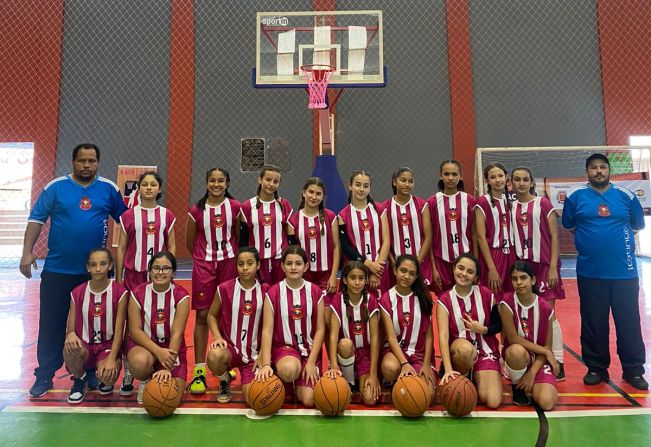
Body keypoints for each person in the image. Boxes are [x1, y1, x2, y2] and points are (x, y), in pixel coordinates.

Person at [20, 143, 127, 398]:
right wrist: (27, 251)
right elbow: (36, 219)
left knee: (95, 324)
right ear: (73, 161)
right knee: (52, 324)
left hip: (94, 274)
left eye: (91, 161)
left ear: (98, 163)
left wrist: (126, 264)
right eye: (82, 161)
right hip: (58, 271)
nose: (87, 166)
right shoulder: (55, 187)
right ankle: (45, 374)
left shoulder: (109, 189)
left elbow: (128, 223)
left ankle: (89, 372)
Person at [562, 153, 648, 389]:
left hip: (624, 272)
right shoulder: (575, 196)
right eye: (593, 168)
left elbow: (637, 226)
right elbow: (570, 226)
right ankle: (596, 368)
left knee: (629, 321)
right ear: (587, 172)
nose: (598, 171)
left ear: (609, 170)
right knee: (593, 322)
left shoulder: (626, 196)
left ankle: (633, 370)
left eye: (602, 167)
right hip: (590, 272)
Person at [116, 171, 176, 395]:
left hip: (158, 277)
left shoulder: (167, 215)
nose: (149, 188)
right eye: (145, 184)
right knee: (129, 324)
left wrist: (171, 273)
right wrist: (120, 277)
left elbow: (172, 246)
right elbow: (122, 247)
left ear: (159, 189)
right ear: (138, 189)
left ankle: (152, 369)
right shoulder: (129, 215)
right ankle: (129, 372)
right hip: (134, 275)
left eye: (153, 184)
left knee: (155, 320)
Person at [185, 167, 241, 395]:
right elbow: (190, 242)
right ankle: (199, 371)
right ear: (206, 182)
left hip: (229, 262)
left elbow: (238, 235)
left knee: (226, 314)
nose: (216, 184)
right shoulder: (196, 210)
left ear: (227, 183)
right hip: (204, 264)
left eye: (221, 181)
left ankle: (225, 360)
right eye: (212, 180)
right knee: (201, 315)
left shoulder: (235, 208)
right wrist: (203, 259)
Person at [510, 167, 566, 380]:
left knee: (548, 315)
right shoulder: (510, 206)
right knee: (524, 314)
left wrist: (553, 266)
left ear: (531, 182)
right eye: (517, 179)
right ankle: (525, 360)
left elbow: (554, 236)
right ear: (511, 183)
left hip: (543, 265)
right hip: (523, 266)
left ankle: (558, 360)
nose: (521, 183)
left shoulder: (543, 203)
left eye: (525, 179)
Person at [255, 245, 326, 407]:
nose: (293, 267)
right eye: (289, 263)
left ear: (306, 266)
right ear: (282, 266)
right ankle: (284, 379)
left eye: (298, 263)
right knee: (288, 370)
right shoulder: (273, 293)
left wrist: (311, 362)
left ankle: (298, 381)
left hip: (309, 351)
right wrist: (265, 364)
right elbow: (267, 331)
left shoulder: (315, 292)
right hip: (284, 349)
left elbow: (321, 330)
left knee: (309, 400)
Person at [437, 253, 502, 409]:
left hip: (484, 350)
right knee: (466, 350)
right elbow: (443, 336)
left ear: (476, 277)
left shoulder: (487, 294)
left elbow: (498, 325)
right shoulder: (445, 299)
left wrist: (483, 329)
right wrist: (448, 369)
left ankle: (475, 376)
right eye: (460, 268)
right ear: (453, 269)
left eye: (470, 271)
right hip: (460, 350)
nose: (464, 274)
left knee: (493, 401)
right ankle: (461, 372)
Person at [63, 248, 129, 404]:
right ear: (88, 268)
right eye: (93, 265)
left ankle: (102, 377)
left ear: (111, 265)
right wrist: (70, 334)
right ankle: (79, 381)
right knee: (69, 349)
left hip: (106, 347)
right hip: (85, 346)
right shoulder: (77, 292)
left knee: (108, 378)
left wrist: (112, 358)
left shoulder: (120, 292)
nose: (98, 269)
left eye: (103, 264)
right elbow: (71, 328)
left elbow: (119, 332)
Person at [206, 247, 268, 404]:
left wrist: (263, 354)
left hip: (254, 355)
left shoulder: (267, 291)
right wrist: (218, 337)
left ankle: (248, 378)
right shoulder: (224, 288)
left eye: (250, 263)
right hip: (231, 349)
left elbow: (270, 327)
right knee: (215, 356)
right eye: (241, 264)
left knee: (253, 399)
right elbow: (211, 315)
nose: (245, 268)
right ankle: (224, 378)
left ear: (258, 265)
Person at [127, 251, 190, 403]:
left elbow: (177, 335)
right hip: (145, 346)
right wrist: (158, 351)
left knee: (171, 397)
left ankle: (163, 373)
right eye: (156, 268)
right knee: (139, 362)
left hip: (171, 349)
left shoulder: (181, 296)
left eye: (166, 268)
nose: (160, 272)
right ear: (149, 271)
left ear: (173, 272)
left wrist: (167, 368)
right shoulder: (138, 293)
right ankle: (145, 379)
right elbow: (135, 331)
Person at [499, 261, 558, 409]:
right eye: (514, 278)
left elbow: (547, 346)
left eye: (523, 278)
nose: (518, 282)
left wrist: (532, 373)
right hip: (518, 356)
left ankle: (530, 381)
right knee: (515, 350)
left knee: (547, 402)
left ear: (532, 280)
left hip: (538, 360)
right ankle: (518, 386)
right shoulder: (506, 303)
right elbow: (512, 338)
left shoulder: (545, 308)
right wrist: (545, 351)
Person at [379, 254, 437, 403]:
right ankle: (400, 378)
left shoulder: (424, 297)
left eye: (411, 273)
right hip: (395, 352)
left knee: (428, 397)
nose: (406, 276)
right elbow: (391, 338)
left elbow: (429, 336)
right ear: (394, 270)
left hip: (419, 355)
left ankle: (409, 379)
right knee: (389, 368)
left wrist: (426, 364)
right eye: (403, 271)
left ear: (417, 276)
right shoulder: (386, 298)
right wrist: (404, 363)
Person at [325, 261, 381, 406]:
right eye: (353, 278)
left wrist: (373, 374)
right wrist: (333, 365)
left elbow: (375, 338)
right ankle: (348, 383)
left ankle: (361, 383)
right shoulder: (337, 300)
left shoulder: (371, 301)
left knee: (370, 399)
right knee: (345, 343)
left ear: (366, 280)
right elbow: (333, 337)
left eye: (361, 278)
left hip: (366, 354)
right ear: (344, 279)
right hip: (346, 353)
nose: (357, 282)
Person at [427, 160, 476, 293]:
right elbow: (429, 238)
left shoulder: (470, 200)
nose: (450, 178)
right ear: (440, 175)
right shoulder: (432, 202)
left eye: (454, 174)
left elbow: (474, 234)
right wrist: (433, 268)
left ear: (461, 176)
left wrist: (476, 262)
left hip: (465, 259)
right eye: (446, 174)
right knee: (444, 300)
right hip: (441, 261)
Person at [240, 165, 293, 285]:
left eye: (276, 181)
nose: (271, 184)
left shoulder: (284, 205)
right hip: (257, 260)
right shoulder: (247, 206)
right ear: (260, 179)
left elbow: (290, 235)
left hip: (280, 260)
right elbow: (243, 238)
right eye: (268, 179)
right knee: (260, 296)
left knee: (280, 294)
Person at [338, 170, 390, 291]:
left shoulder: (379, 209)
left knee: (381, 308)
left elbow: (386, 241)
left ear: (370, 188)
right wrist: (369, 264)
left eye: (366, 186)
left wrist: (377, 271)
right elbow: (346, 247)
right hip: (355, 272)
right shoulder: (342, 215)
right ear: (350, 185)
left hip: (379, 271)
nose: (361, 189)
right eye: (357, 185)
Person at [288, 177, 340, 294]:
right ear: (304, 193)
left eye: (318, 194)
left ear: (322, 197)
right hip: (303, 275)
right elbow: (292, 252)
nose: (314, 196)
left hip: (326, 275)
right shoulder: (293, 220)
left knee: (325, 311)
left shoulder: (330, 217)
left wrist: (333, 276)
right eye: (311, 192)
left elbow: (336, 247)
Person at [383, 168, 433, 285]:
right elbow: (385, 241)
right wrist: (393, 262)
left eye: (411, 181)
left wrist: (417, 262)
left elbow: (428, 237)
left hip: (421, 263)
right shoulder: (385, 207)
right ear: (394, 182)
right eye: (403, 180)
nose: (407, 184)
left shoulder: (422, 204)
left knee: (422, 300)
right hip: (396, 266)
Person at [474, 163, 515, 296]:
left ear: (506, 177)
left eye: (500, 176)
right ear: (487, 180)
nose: (498, 180)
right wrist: (491, 267)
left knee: (511, 296)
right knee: (493, 297)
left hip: (511, 254)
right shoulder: (482, 202)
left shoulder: (509, 201)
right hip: (493, 255)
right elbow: (480, 236)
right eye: (493, 177)